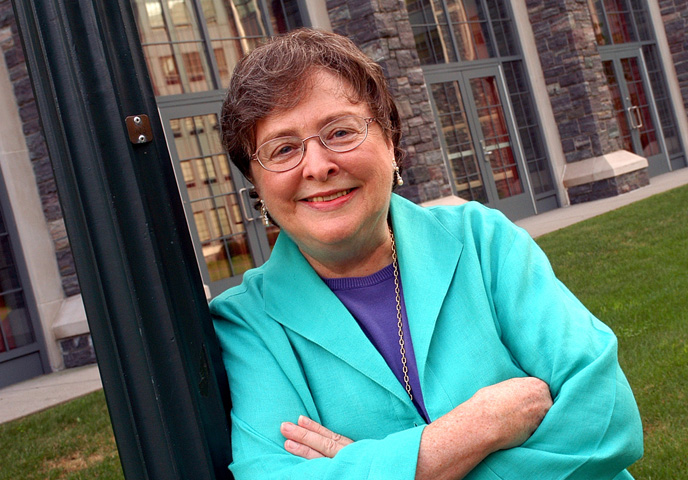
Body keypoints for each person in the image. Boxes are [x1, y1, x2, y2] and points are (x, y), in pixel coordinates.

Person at [211, 28, 643, 479]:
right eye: (282, 149)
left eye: (340, 132)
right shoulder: (247, 324)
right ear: (256, 186)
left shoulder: (483, 241)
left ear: (391, 143)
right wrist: (474, 430)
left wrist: (373, 468)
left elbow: (605, 416)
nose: (319, 166)